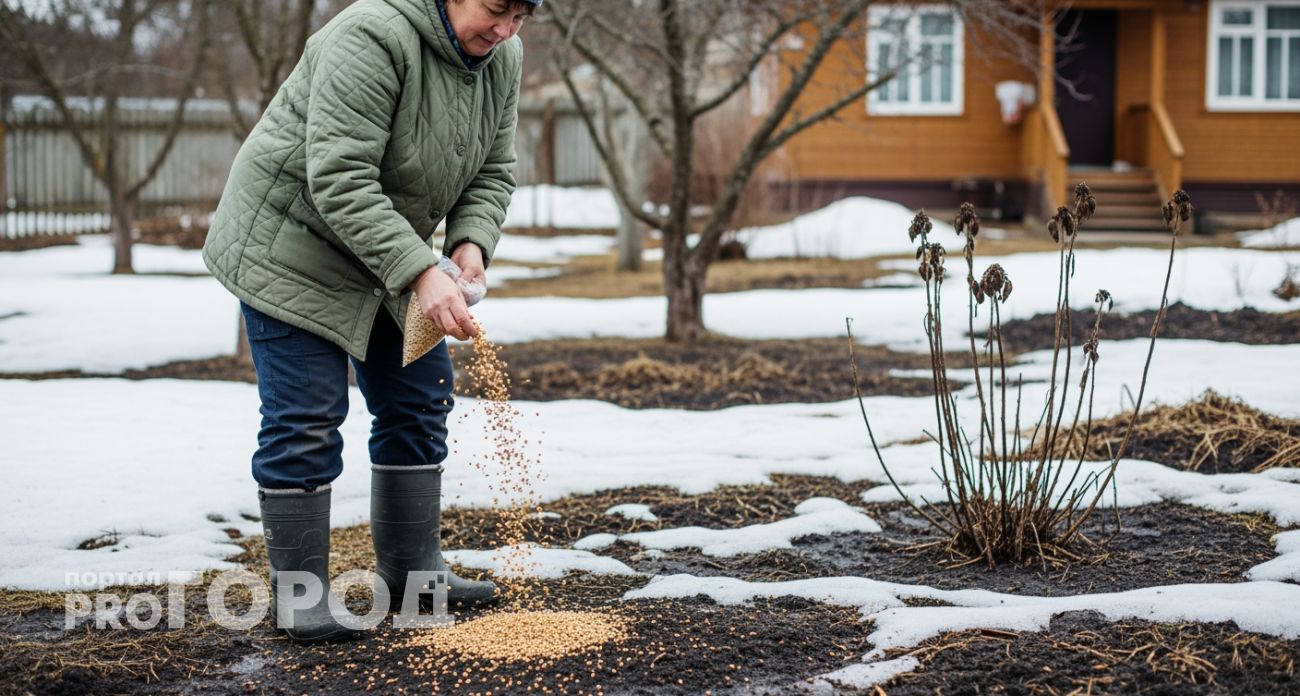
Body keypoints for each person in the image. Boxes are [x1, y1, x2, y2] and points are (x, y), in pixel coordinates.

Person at [202, 0, 539, 643]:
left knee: (419, 398)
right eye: (495, 10)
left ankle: (413, 574)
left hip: (383, 248)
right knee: (307, 415)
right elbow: (340, 177)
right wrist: (419, 270)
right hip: (292, 247)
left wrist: (470, 242)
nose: (504, 31)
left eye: (521, 16)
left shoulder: (503, 58)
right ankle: (300, 595)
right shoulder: (371, 35)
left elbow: (493, 169)